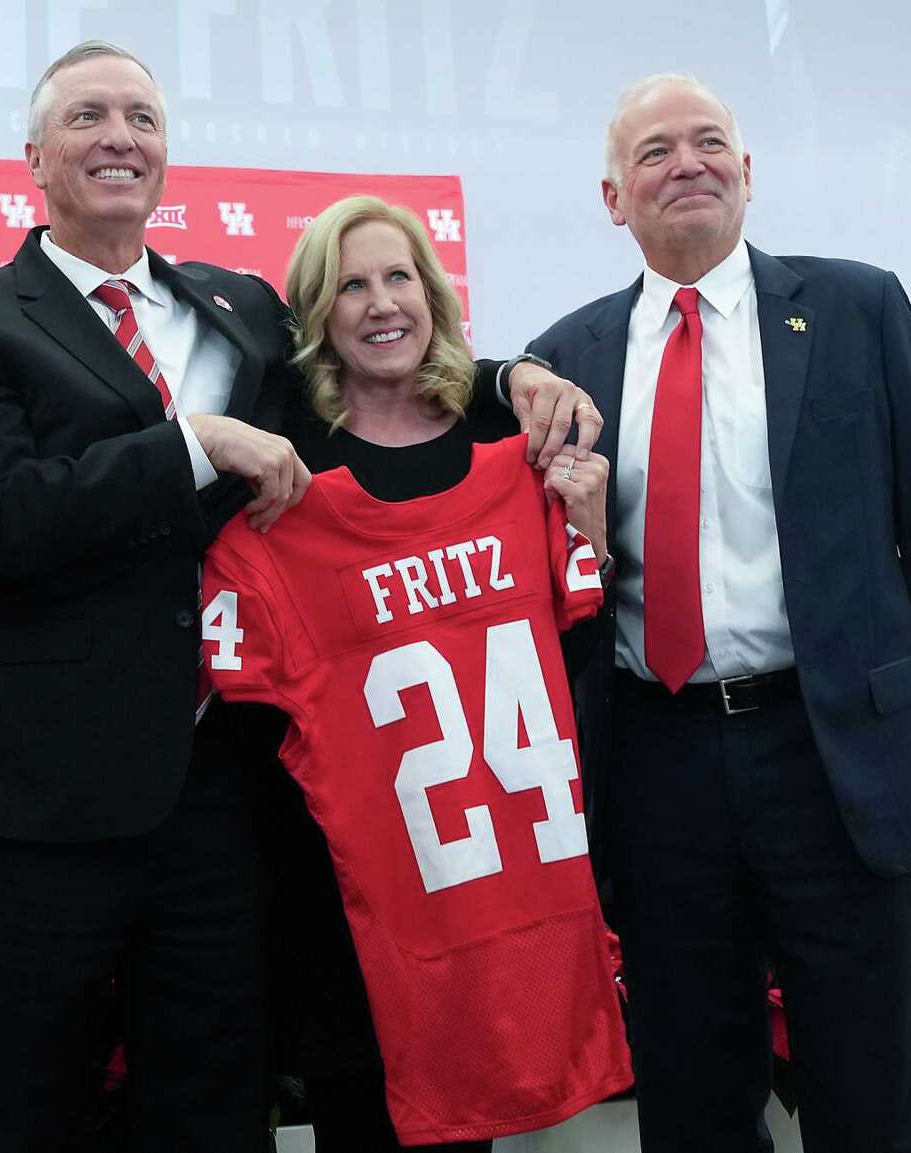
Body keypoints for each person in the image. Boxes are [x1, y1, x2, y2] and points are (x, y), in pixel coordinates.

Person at [0, 40, 598, 1148]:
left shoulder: (242, 308)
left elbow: (379, 370)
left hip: (222, 792)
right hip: (42, 802)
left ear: (168, 151)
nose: (118, 136)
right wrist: (192, 444)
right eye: (86, 118)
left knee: (213, 1106)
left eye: (140, 116)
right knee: (28, 1106)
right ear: (30, 157)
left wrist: (511, 381)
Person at [510, 73, 911, 1153]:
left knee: (871, 1085)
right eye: (654, 152)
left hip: (829, 752)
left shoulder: (857, 307)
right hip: (654, 760)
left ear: (745, 169)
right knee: (691, 1089)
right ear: (610, 197)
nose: (687, 163)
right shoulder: (561, 359)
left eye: (707, 141)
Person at [225, 195, 626, 1152]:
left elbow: (576, 659)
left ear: (433, 294)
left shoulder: (514, 454)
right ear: (317, 314)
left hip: (501, 883)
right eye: (350, 286)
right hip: (355, 900)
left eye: (398, 276)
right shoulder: (285, 483)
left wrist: (593, 544)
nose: (379, 303)